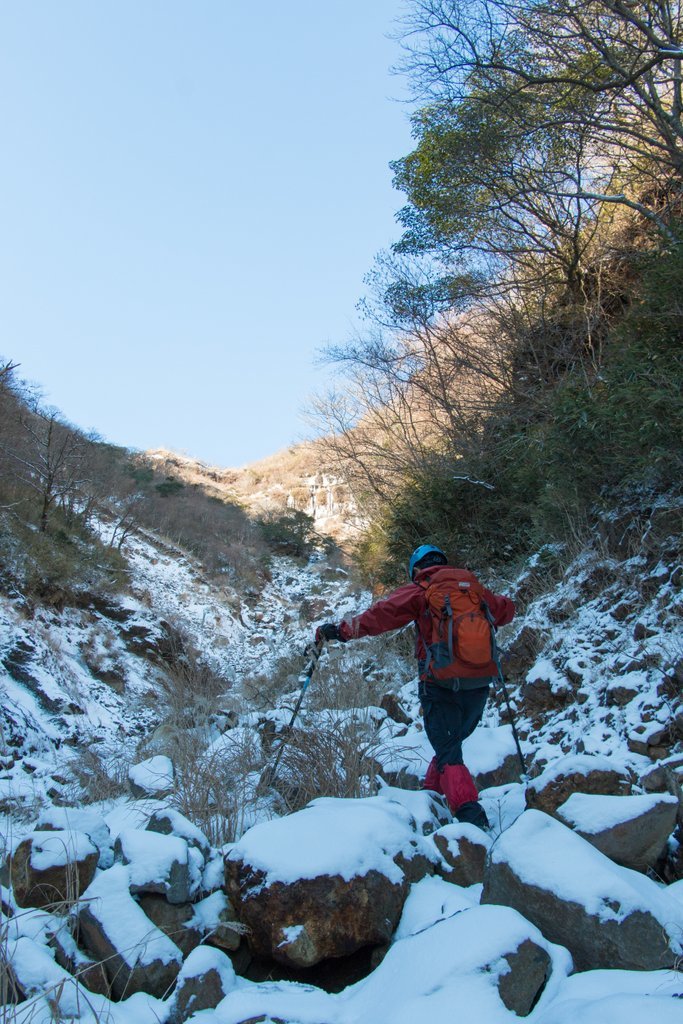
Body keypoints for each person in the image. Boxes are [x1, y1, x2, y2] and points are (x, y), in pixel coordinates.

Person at [315, 544, 515, 829]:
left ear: (417, 569)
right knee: (449, 746)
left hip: (439, 682)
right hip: (479, 681)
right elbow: (506, 611)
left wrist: (341, 630)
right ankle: (431, 797)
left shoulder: (421, 589)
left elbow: (380, 615)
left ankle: (471, 817)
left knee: (448, 751)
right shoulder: (472, 588)